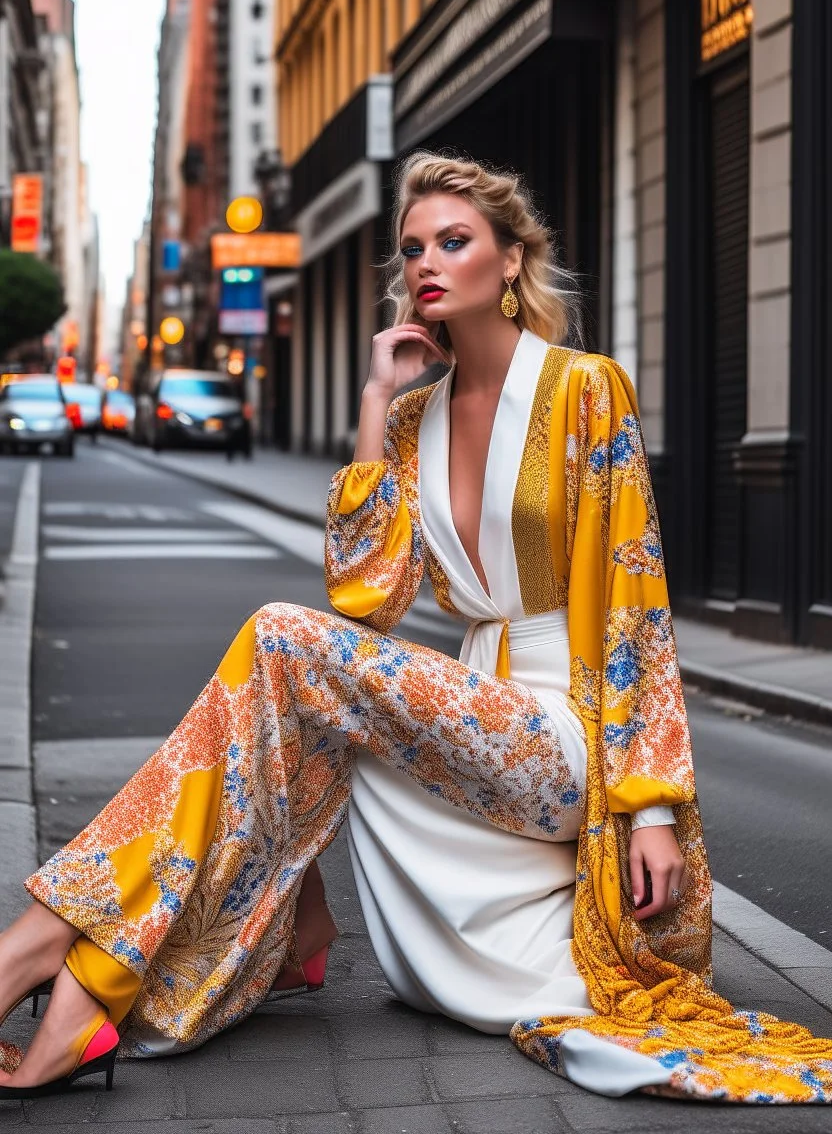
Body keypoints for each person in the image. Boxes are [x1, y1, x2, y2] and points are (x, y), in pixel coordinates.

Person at [0, 152, 830, 1104]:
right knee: (288, 683)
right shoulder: (412, 419)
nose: (427, 263)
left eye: (454, 241)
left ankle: (54, 951)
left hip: (564, 740)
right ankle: (180, 952)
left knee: (281, 640)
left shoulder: (585, 390)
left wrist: (649, 808)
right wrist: (371, 401)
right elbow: (365, 595)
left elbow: (634, 604)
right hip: (474, 719)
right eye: (412, 249)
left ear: (513, 260)